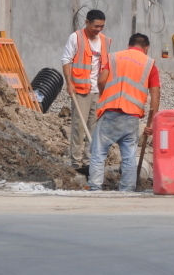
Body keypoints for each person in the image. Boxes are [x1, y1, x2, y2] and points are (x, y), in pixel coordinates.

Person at [88, 34, 161, 192]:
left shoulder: (114, 57)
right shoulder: (150, 64)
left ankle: (95, 187)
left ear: (129, 45)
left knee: (98, 152)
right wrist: (151, 123)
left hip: (110, 113)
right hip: (131, 116)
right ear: (146, 48)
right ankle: (127, 189)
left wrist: (105, 96)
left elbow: (101, 80)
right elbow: (155, 97)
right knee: (129, 156)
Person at [61, 10, 111, 171]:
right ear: (87, 22)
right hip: (81, 90)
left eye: (101, 26)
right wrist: (69, 83)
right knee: (78, 127)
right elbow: (66, 60)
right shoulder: (76, 37)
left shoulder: (105, 41)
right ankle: (76, 162)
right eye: (96, 26)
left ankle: (90, 161)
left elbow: (106, 66)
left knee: (94, 128)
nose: (98, 29)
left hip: (99, 91)